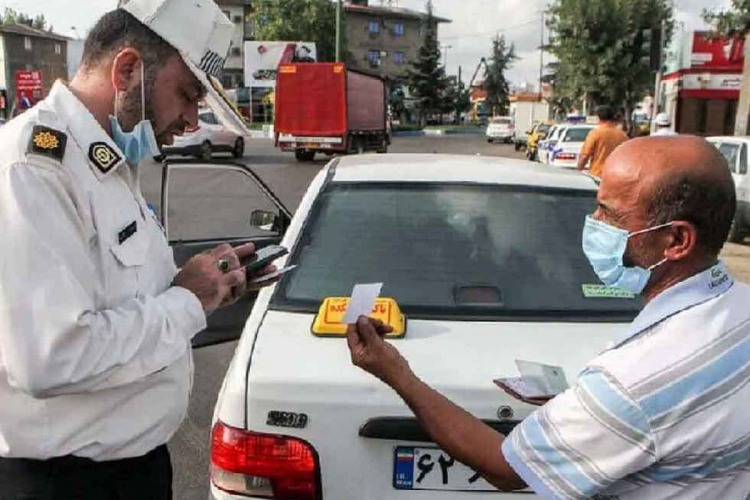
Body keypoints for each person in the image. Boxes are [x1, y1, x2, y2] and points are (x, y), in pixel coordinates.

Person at [347, 136, 750, 499]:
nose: (593, 223)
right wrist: (585, 408)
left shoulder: (632, 382)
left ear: (676, 240)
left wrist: (396, 372)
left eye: (610, 215)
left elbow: (506, 470)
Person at [0, 1, 274, 498]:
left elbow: (124, 299)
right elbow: (51, 357)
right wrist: (187, 301)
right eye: (188, 95)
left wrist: (204, 288)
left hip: (130, 472)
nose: (193, 120)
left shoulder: (106, 162)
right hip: (65, 483)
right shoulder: (36, 167)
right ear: (127, 70)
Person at [577, 104, 629, 178]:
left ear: (598, 117)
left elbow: (585, 155)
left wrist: (579, 169)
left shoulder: (595, 134)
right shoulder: (623, 136)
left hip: (597, 175)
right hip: (617, 176)